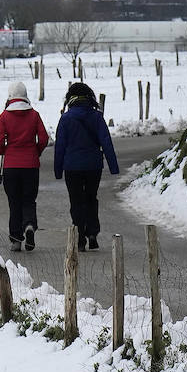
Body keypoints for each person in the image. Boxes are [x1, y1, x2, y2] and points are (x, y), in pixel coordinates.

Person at [53, 81, 119, 251]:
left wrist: (58, 169)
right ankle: (92, 233)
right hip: (93, 166)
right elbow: (106, 141)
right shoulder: (97, 116)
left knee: (76, 201)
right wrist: (113, 166)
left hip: (72, 167)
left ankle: (79, 237)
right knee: (91, 198)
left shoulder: (66, 118)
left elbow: (60, 145)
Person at [0, 79, 49, 251]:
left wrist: (6, 150)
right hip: (31, 165)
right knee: (29, 200)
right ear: (25, 96)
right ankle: (29, 225)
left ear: (10, 96)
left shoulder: (4, 116)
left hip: (11, 166)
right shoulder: (34, 115)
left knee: (14, 202)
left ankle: (16, 239)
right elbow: (44, 138)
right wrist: (35, 151)